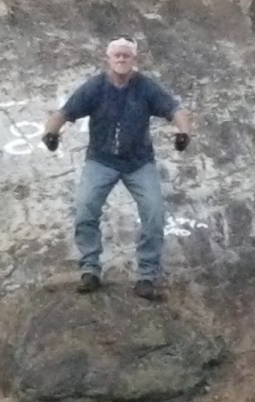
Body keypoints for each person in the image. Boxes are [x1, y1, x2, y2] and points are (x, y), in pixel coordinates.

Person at [42, 36, 193, 301]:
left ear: (134, 59)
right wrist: (50, 134)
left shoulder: (146, 87)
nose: (122, 59)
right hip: (101, 160)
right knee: (85, 210)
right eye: (117, 55)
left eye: (126, 55)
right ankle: (90, 269)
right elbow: (65, 112)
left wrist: (184, 133)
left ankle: (146, 276)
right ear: (109, 58)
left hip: (138, 162)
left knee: (154, 214)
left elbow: (174, 110)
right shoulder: (95, 87)